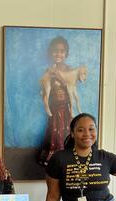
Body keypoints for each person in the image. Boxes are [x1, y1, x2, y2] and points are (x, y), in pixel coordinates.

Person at [37, 36, 86, 167]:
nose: (58, 54)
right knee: (54, 131)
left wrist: (60, 78)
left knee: (67, 131)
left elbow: (71, 89)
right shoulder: (49, 71)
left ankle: (68, 158)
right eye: (55, 51)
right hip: (54, 107)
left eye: (62, 51)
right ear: (50, 53)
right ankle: (52, 158)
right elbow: (44, 88)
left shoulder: (71, 70)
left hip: (66, 107)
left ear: (66, 53)